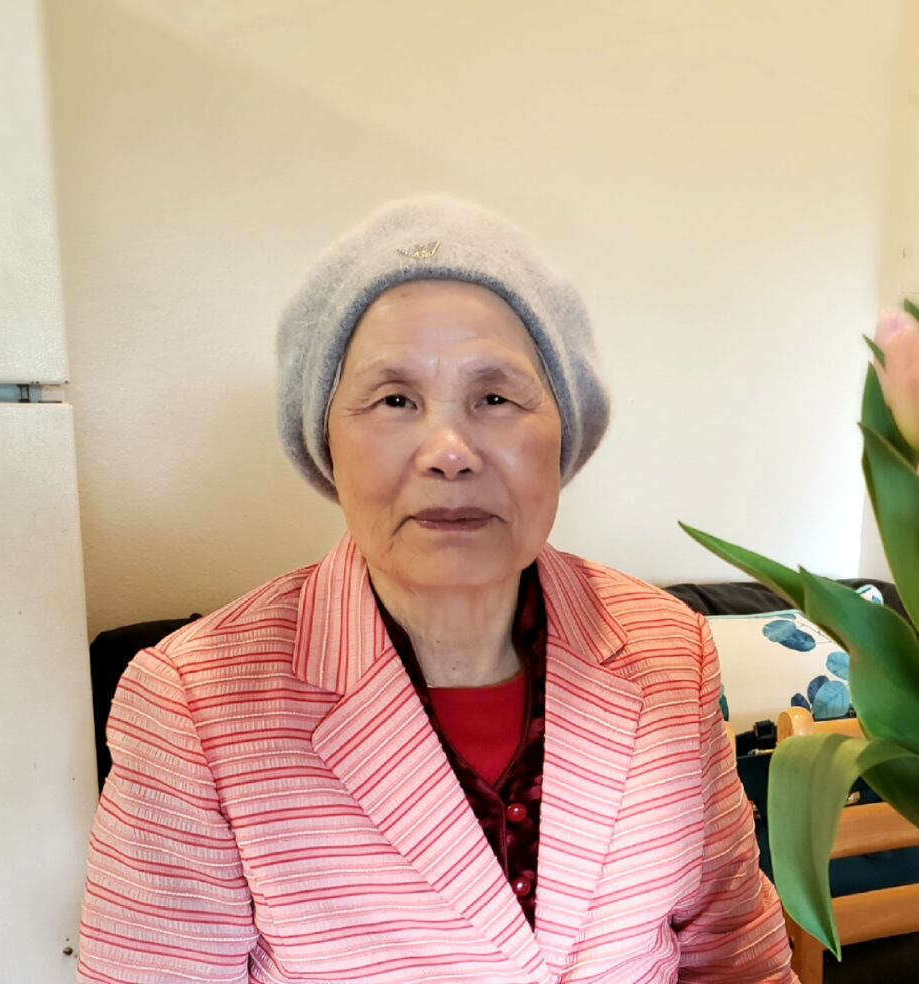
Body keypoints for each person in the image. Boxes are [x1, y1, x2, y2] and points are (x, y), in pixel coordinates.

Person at [76, 196, 794, 982]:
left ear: (567, 430)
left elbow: (738, 954)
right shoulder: (196, 704)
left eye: (495, 398)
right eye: (395, 400)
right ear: (325, 439)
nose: (450, 451)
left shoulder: (670, 649)